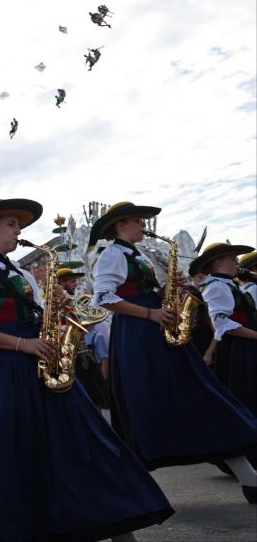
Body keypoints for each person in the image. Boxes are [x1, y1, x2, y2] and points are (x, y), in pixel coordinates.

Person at [0, 198, 174, 541]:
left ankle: (116, 522)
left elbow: (36, 320)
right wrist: (22, 344)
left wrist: (55, 321)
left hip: (44, 362)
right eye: (11, 224)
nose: (19, 230)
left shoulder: (21, 273)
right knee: (23, 453)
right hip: (10, 369)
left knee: (85, 440)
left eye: (18, 225)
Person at [90, 202, 257, 502]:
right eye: (138, 221)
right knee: (149, 406)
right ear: (120, 225)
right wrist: (150, 313)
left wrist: (170, 289)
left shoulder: (135, 255)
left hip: (157, 332)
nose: (144, 225)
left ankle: (249, 476)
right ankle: (129, 490)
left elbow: (140, 292)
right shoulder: (112, 255)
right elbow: (103, 297)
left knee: (198, 394)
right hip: (138, 335)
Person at [191, 243, 257, 466]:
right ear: (217, 262)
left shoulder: (230, 284)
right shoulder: (216, 286)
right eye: (231, 258)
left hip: (245, 345)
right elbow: (222, 323)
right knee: (244, 397)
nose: (236, 262)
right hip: (238, 349)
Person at [59, 268, 111, 409]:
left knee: (96, 398)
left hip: (85, 352)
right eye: (72, 281)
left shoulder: (73, 300)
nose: (76, 284)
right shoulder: (58, 302)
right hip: (72, 353)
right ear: (62, 283)